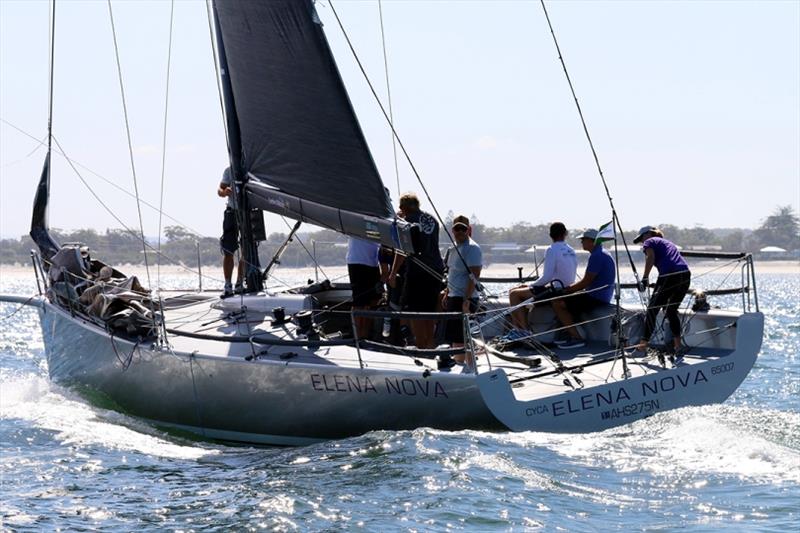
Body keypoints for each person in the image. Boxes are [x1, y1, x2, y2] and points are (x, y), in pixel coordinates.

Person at [387, 193, 444, 349]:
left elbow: (402, 250)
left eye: (401, 206)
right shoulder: (433, 219)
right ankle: (430, 345)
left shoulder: (407, 222)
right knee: (429, 310)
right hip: (436, 270)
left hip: (418, 271)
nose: (400, 209)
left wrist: (392, 273)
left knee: (414, 311)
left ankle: (421, 347)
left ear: (405, 206)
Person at [507, 222, 577, 337]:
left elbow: (547, 277)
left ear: (550, 235)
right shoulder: (571, 250)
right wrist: (531, 286)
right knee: (517, 290)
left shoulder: (551, 250)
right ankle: (518, 329)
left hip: (555, 291)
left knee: (514, 294)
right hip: (566, 288)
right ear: (565, 234)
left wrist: (531, 285)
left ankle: (524, 332)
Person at [550, 229, 616, 349]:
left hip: (596, 298)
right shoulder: (602, 253)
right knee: (570, 300)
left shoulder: (597, 256)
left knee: (557, 302)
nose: (582, 242)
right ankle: (567, 333)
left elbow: (585, 282)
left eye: (583, 240)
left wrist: (566, 290)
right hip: (599, 295)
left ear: (592, 241)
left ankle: (577, 338)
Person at [632, 226, 691, 354]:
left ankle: (642, 346)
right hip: (685, 274)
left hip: (669, 275)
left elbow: (650, 258)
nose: (643, 243)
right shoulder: (668, 243)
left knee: (652, 310)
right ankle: (678, 346)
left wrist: (645, 278)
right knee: (671, 310)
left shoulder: (650, 241)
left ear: (648, 234)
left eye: (642, 238)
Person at [440, 215, 483, 364]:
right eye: (456, 229)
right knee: (456, 336)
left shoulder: (472, 248)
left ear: (468, 230)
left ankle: (464, 367)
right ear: (452, 230)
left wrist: (467, 299)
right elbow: (451, 273)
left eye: (462, 229)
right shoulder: (452, 249)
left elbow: (475, 275)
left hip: (464, 299)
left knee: (460, 337)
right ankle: (464, 365)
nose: (459, 232)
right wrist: (447, 293)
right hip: (453, 296)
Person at [346, 237, 384, 339]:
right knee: (359, 302)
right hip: (357, 261)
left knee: (373, 301)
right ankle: (358, 337)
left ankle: (366, 336)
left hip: (373, 262)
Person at [218, 167, 243, 297]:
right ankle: (228, 285)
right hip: (232, 212)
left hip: (249, 212)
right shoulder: (229, 170)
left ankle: (240, 283)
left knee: (248, 250)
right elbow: (219, 190)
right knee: (228, 250)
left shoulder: (252, 167)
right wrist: (225, 192)